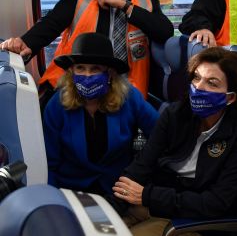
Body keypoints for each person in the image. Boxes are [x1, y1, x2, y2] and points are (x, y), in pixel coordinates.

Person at [111, 47, 237, 235]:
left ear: (230, 97)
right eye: (196, 78)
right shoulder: (175, 114)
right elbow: (141, 166)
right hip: (155, 206)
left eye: (212, 83)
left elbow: (216, 203)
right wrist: (110, 206)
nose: (200, 87)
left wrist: (149, 196)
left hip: (192, 221)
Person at [1, 0, 173, 98]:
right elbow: (51, 23)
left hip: (126, 89)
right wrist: (27, 42)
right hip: (74, 82)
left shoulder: (147, 3)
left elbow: (165, 32)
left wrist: (123, 5)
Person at [43, 33, 159, 195]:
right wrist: (53, 201)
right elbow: (49, 163)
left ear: (110, 73)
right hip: (70, 189)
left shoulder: (129, 97)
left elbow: (160, 134)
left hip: (118, 188)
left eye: (95, 68)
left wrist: (139, 173)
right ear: (71, 71)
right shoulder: (57, 104)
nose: (88, 75)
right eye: (80, 68)